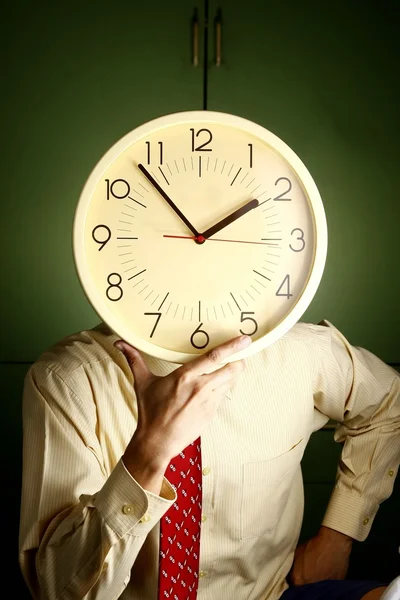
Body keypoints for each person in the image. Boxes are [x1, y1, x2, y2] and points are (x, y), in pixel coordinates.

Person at [18, 318, 400, 600]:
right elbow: (58, 591)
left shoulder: (300, 352)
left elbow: (389, 404)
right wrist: (148, 451)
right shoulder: (68, 380)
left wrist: (337, 538)